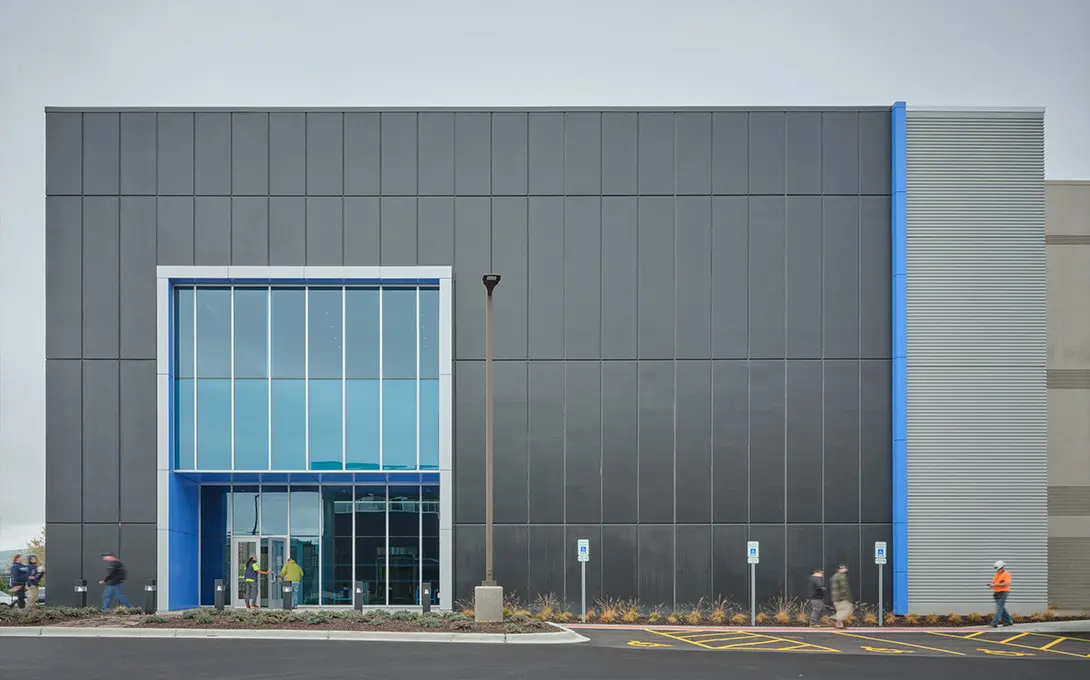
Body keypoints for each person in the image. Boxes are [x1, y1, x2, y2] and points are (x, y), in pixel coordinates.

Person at [989, 560, 1014, 628]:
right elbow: (995, 583)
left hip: (1003, 592)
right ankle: (1009, 621)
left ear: (1002, 567)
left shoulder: (1006, 574)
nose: (997, 570)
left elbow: (1007, 583)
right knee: (1001, 608)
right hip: (997, 593)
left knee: (999, 608)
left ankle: (994, 622)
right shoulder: (997, 574)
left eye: (998, 569)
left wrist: (996, 585)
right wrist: (992, 585)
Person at [830, 564, 853, 629]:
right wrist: (846, 597)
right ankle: (834, 618)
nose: (846, 569)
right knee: (849, 609)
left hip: (835, 598)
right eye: (844, 568)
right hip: (841, 598)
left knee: (840, 611)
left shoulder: (834, 576)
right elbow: (844, 588)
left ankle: (839, 625)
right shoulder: (842, 576)